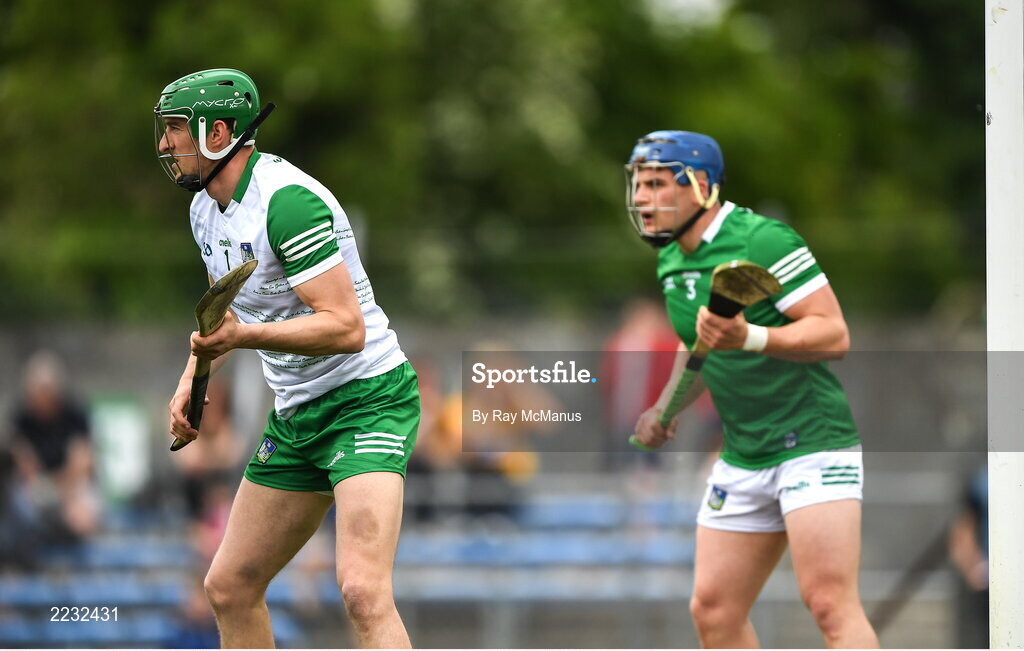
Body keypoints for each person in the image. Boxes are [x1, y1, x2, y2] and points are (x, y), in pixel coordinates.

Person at [154, 68, 419, 649]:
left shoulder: (287, 204)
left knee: (362, 591)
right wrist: (190, 380)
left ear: (218, 133)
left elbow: (345, 328)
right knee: (228, 586)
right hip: (298, 415)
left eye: (176, 129)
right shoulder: (205, 210)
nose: (165, 143)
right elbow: (224, 320)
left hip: (367, 400)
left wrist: (244, 339)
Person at [626, 131, 878, 648]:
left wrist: (751, 335)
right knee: (714, 611)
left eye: (655, 184)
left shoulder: (763, 240)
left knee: (829, 604)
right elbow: (697, 342)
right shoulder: (670, 259)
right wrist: (665, 407)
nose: (641, 199)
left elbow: (834, 333)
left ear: (700, 186)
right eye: (637, 184)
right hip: (743, 455)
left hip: (812, 443)